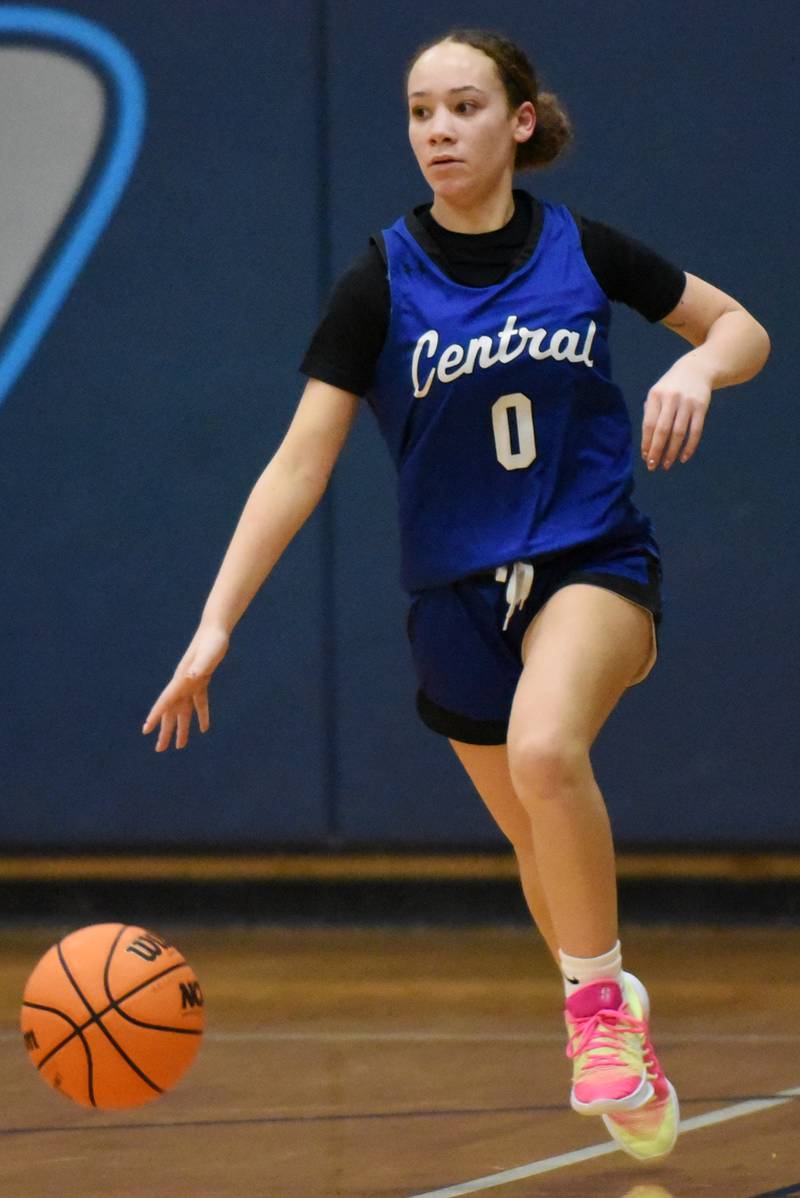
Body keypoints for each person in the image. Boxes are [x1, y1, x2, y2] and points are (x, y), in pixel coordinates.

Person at [143, 28, 770, 1162]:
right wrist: (214, 622)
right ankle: (609, 1003)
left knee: (544, 754)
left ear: (517, 122)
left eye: (463, 107)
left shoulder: (582, 248)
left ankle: (590, 1016)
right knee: (539, 845)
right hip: (452, 601)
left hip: (591, 565)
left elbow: (739, 327)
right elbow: (298, 462)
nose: (438, 129)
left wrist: (693, 365)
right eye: (420, 111)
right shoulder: (378, 278)